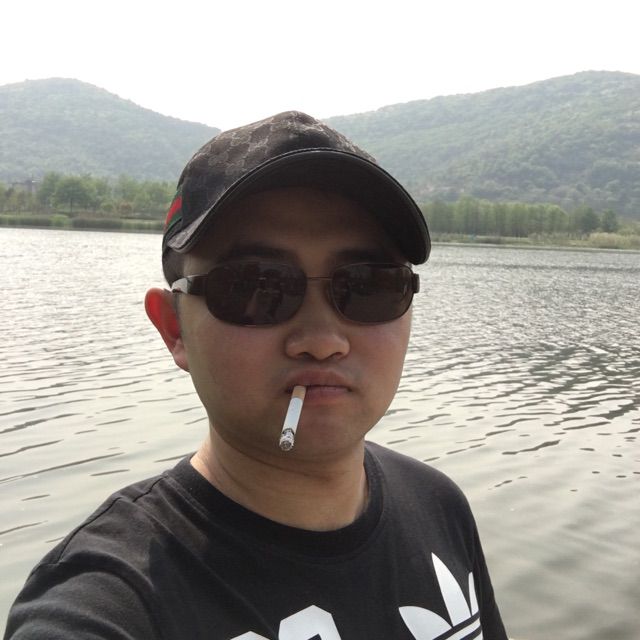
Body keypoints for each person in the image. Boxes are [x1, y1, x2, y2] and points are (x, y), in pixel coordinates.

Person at [4, 111, 508, 639]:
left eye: (368, 285)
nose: (322, 340)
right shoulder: (114, 600)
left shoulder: (438, 504)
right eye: (255, 287)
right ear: (174, 327)